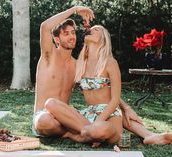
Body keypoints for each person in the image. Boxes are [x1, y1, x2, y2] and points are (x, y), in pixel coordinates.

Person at [32, 6, 172, 145]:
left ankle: (145, 134)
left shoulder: (78, 66)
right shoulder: (48, 57)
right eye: (66, 34)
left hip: (66, 119)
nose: (71, 37)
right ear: (56, 39)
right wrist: (75, 10)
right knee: (46, 119)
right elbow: (45, 27)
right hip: (46, 116)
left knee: (106, 108)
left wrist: (126, 108)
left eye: (73, 33)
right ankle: (84, 133)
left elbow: (105, 90)